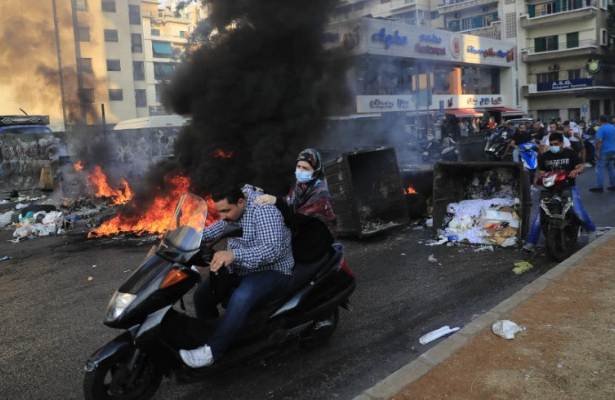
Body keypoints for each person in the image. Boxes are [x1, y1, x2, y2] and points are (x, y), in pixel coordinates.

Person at [180, 185, 294, 368]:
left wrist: (234, 255)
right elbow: (213, 230)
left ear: (241, 202)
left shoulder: (264, 212)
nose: (223, 216)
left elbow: (272, 250)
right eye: (220, 212)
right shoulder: (232, 212)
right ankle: (212, 335)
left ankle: (213, 351)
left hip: (274, 271)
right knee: (202, 295)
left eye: (226, 211)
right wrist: (181, 238)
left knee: (241, 297)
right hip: (241, 269)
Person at [256, 148, 337, 262]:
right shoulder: (299, 185)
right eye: (298, 167)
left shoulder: (320, 193)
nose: (300, 171)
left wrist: (277, 202)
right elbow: (288, 202)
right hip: (303, 230)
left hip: (317, 238)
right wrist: (265, 193)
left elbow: (298, 218)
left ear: (315, 170)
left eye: (305, 168)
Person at [524, 133, 596, 251]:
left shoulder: (570, 153)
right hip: (550, 189)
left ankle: (591, 230)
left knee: (578, 210)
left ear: (562, 143)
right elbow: (540, 172)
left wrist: (576, 170)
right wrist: (539, 177)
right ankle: (531, 243)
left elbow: (580, 165)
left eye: (556, 144)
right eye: (551, 144)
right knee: (539, 217)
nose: (553, 146)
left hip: (568, 187)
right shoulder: (545, 156)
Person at [589, 115, 615, 192]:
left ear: (600, 120)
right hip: (612, 150)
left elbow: (599, 141)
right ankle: (613, 185)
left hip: (604, 151)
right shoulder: (613, 127)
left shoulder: (601, 128)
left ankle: (599, 187)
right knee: (611, 168)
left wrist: (597, 152)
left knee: (599, 168)